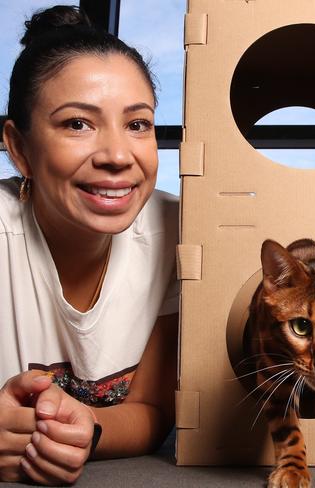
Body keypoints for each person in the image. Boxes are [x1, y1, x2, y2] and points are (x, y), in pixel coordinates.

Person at [0, 5, 178, 485]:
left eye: (138, 124)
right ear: (19, 148)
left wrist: (87, 428)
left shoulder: (177, 234)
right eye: (78, 123)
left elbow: (151, 409)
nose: (119, 156)